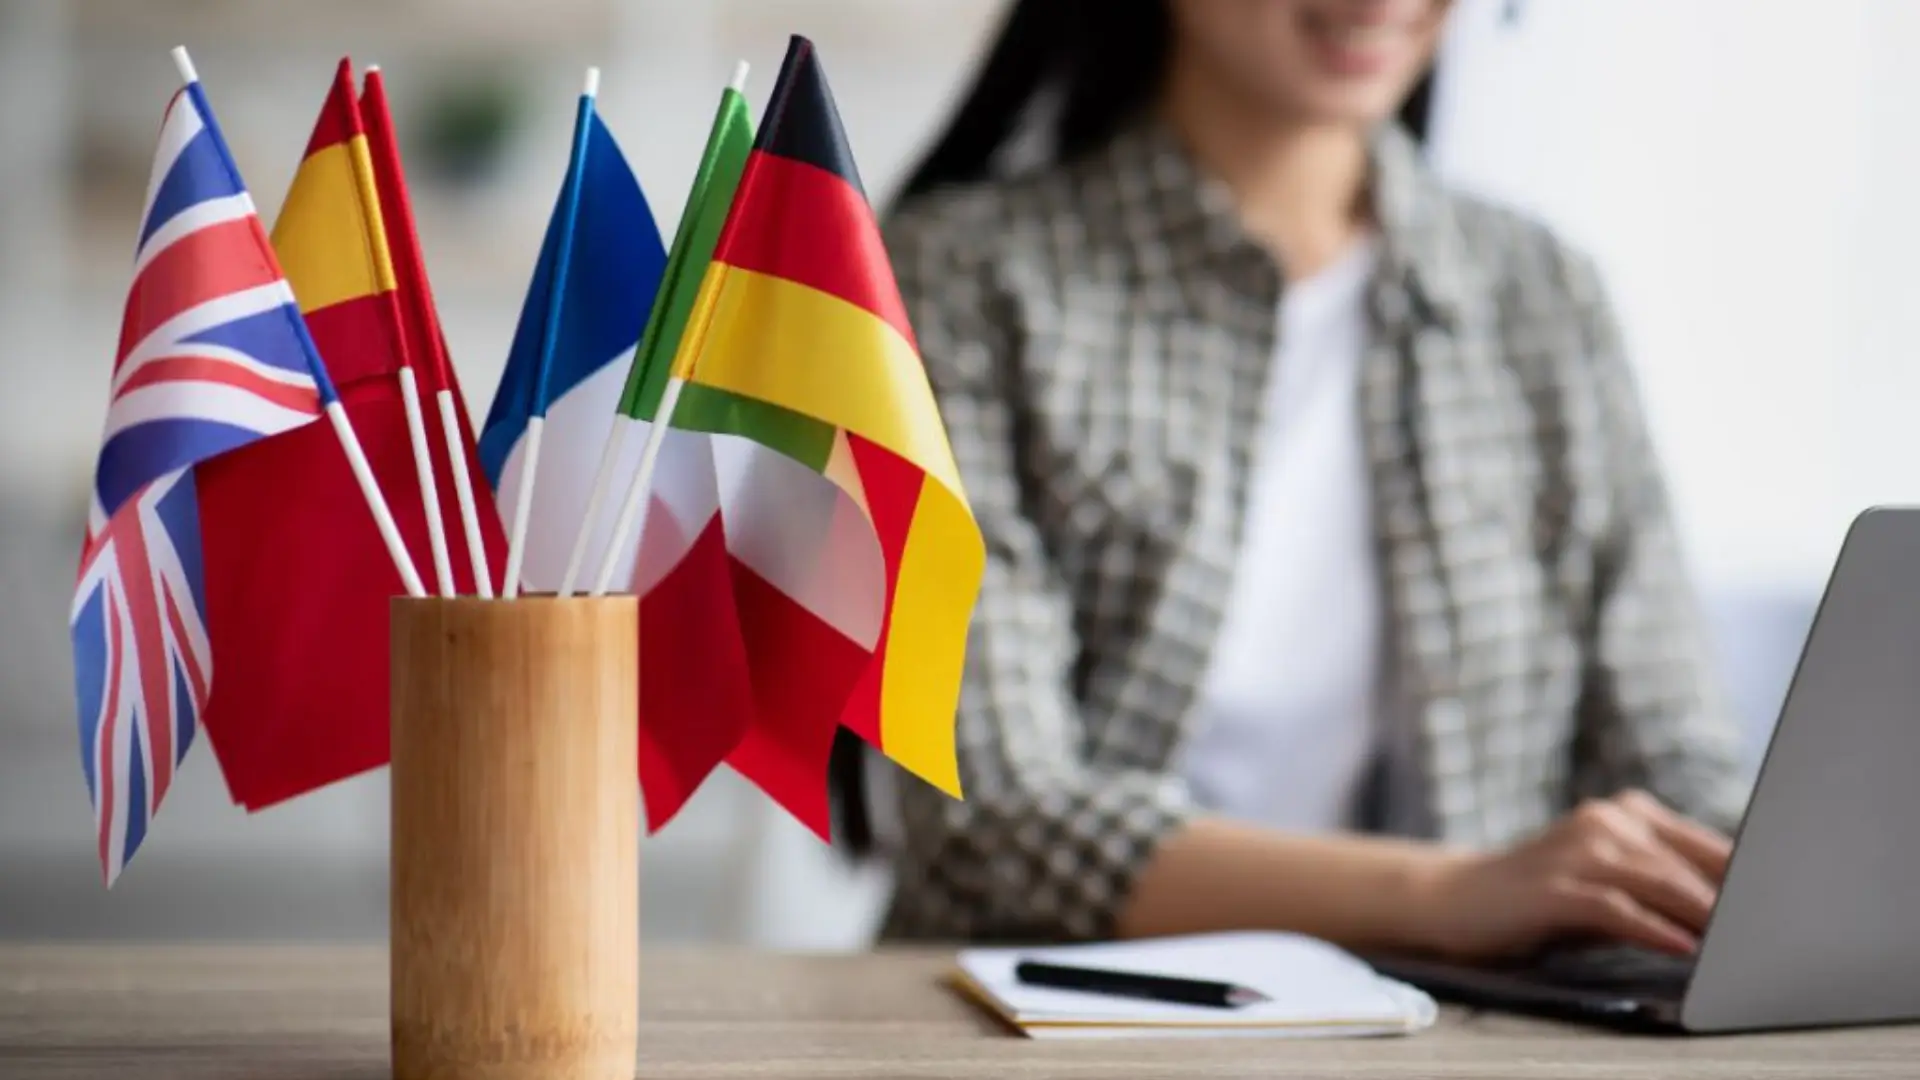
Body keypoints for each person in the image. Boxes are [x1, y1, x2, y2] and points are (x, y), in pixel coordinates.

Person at [851, 0, 1753, 963]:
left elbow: (1673, 760)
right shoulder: (963, 281)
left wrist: (1763, 882)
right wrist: (1456, 893)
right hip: (1052, 1022)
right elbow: (992, 813)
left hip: (1477, 1030)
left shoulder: (1543, 295)